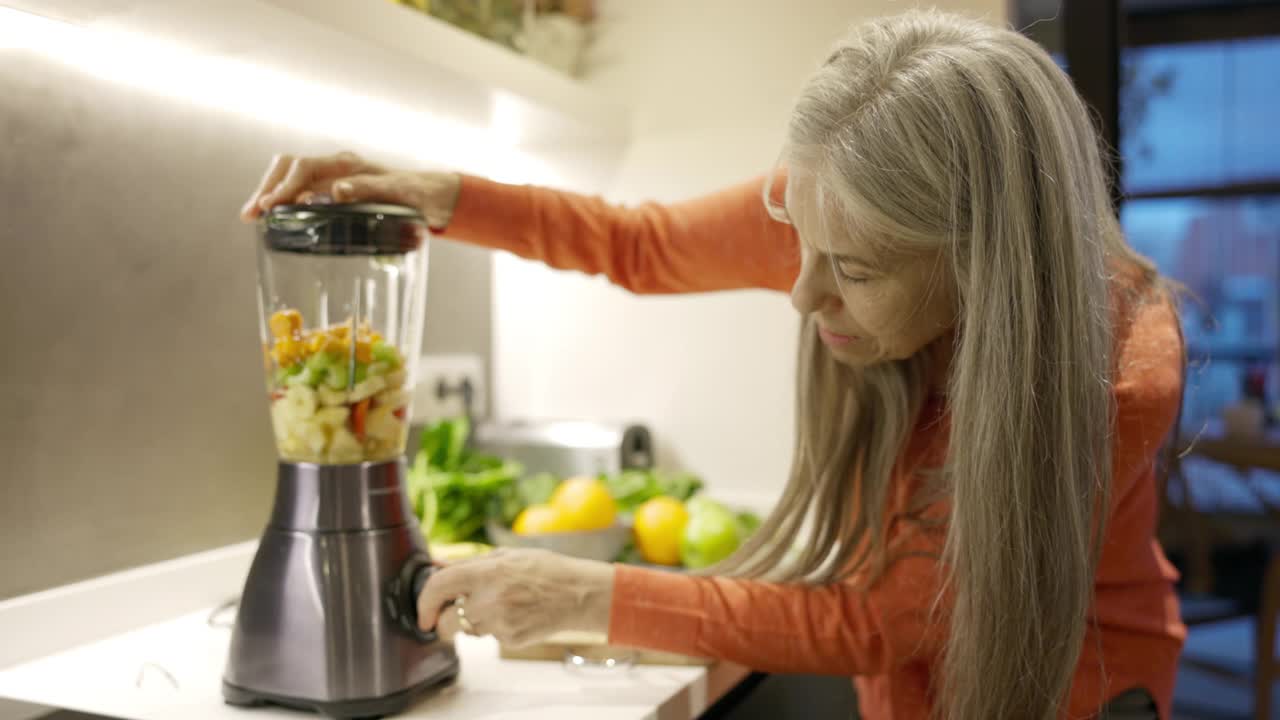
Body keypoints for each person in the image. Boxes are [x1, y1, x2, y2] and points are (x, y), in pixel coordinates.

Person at [241, 10, 1185, 720]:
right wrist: (441, 194)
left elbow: (894, 617)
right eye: (795, 241)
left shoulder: (1114, 378)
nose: (801, 294)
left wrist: (585, 594)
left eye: (851, 273)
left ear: (979, 261)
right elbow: (640, 246)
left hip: (1074, 685)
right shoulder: (839, 200)